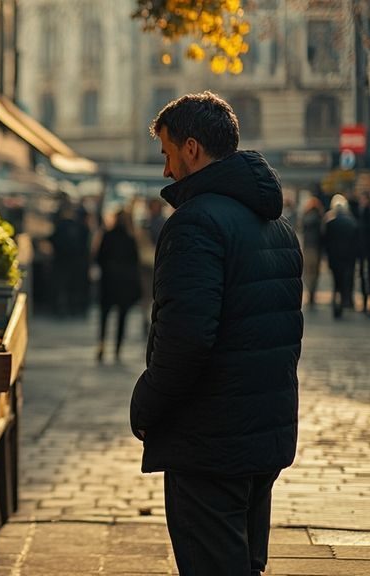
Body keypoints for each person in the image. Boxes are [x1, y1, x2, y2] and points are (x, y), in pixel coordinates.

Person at [130, 92, 302, 576]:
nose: (165, 171)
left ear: (191, 148)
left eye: (166, 154)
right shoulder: (279, 227)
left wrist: (146, 405)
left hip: (210, 439)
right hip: (261, 431)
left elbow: (185, 338)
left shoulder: (195, 223)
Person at [95, 209, 142, 363]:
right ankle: (117, 349)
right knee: (122, 317)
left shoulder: (107, 236)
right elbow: (135, 262)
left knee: (104, 315)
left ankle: (101, 345)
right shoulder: (131, 238)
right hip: (124, 284)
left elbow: (98, 257)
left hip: (108, 281)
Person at [323, 194, 359, 319]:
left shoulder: (330, 222)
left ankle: (335, 300)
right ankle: (346, 300)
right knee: (346, 279)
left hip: (334, 257)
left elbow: (326, 240)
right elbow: (356, 241)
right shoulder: (352, 222)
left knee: (336, 281)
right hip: (348, 257)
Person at [301, 196, 325, 309]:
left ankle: (310, 294)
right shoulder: (320, 218)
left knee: (308, 273)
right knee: (315, 273)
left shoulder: (306, 217)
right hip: (317, 248)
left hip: (308, 247)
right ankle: (312, 295)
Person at [358, 191, 370, 314]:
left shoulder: (366, 213)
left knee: (366, 277)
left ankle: (367, 303)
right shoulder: (361, 213)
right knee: (363, 276)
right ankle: (365, 303)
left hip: (366, 251)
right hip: (363, 251)